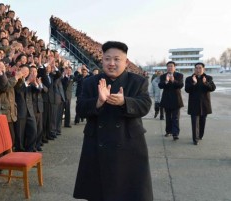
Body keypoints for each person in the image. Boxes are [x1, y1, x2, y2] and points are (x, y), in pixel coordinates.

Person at [73, 41, 153, 201]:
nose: (111, 63)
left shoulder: (137, 81)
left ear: (126, 62)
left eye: (117, 59)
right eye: (107, 59)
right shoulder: (90, 82)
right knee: (98, 194)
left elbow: (145, 106)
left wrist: (125, 101)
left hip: (129, 145)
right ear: (101, 60)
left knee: (128, 193)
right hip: (96, 144)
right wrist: (98, 102)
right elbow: (80, 108)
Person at [185, 62, 216, 145]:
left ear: (203, 69)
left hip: (204, 104)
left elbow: (212, 88)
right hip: (193, 104)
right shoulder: (189, 79)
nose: (198, 70)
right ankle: (195, 139)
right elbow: (187, 90)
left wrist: (206, 83)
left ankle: (200, 135)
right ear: (194, 69)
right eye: (196, 68)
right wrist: (194, 83)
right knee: (194, 122)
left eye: (200, 68)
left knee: (202, 121)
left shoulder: (208, 78)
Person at [158, 61, 184, 140]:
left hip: (176, 99)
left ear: (174, 67)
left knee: (175, 117)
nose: (170, 67)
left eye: (171, 66)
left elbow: (180, 85)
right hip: (166, 99)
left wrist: (173, 80)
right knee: (168, 117)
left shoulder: (179, 75)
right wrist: (166, 81)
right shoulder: (163, 76)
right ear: (167, 67)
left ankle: (175, 134)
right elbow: (160, 86)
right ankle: (168, 131)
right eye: (168, 66)